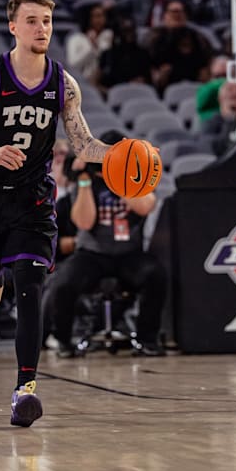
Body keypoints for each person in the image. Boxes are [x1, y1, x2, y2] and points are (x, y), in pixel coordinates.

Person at [0, 0, 133, 428]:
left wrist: (124, 154)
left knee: (30, 285)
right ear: (13, 26)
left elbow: (84, 145)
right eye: (32, 21)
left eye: (46, 21)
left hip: (32, 200)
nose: (41, 29)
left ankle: (25, 389)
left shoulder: (63, 83)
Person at [47, 130, 166, 357]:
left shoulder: (137, 176)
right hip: (92, 253)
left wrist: (119, 176)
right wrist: (83, 180)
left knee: (155, 275)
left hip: (128, 253)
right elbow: (84, 221)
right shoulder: (86, 180)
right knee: (64, 283)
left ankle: (147, 340)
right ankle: (63, 340)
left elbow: (145, 206)